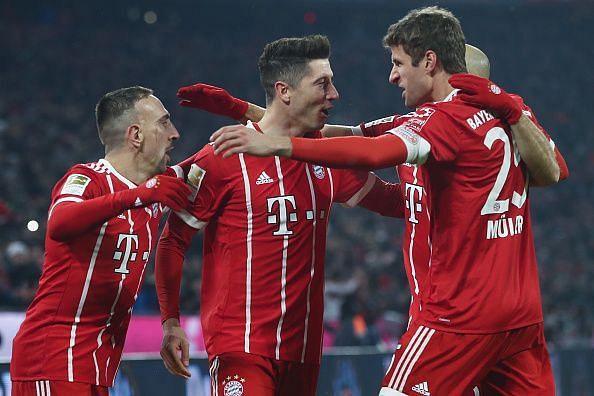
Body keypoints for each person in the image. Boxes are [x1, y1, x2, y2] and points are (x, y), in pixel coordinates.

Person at [209, 7, 568, 395]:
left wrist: (276, 143)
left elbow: (374, 152)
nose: (393, 75)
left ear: (429, 62)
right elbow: (554, 171)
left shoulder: (437, 122)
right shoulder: (511, 113)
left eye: (398, 63)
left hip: (455, 314)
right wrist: (246, 111)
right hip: (519, 315)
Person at [155, 34, 404, 396]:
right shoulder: (224, 155)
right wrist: (170, 321)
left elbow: (393, 201)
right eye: (322, 83)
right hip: (242, 346)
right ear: (284, 91)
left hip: (303, 351)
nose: (334, 94)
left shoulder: (326, 157)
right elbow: (173, 239)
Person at [10, 86, 191, 396]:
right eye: (163, 122)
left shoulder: (158, 187)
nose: (174, 134)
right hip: (54, 359)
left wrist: (242, 111)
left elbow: (219, 153)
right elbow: (60, 223)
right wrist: (140, 196)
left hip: (96, 366)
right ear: (136, 135)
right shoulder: (87, 179)